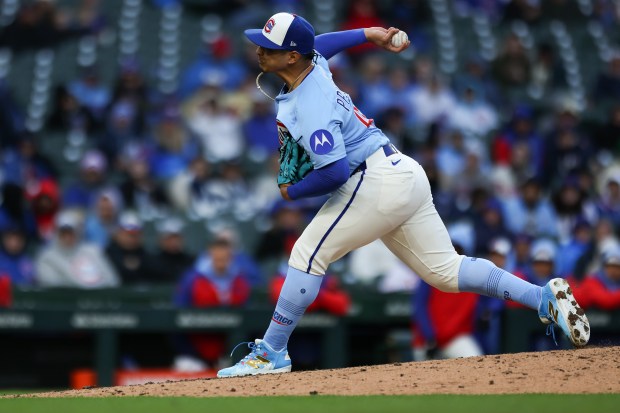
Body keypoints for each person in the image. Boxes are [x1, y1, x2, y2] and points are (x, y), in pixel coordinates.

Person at [216, 13, 590, 378]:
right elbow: (322, 46)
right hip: (402, 172)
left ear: (292, 56)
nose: (259, 50)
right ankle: (541, 298)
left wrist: (291, 192)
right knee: (445, 271)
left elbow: (334, 172)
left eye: (268, 46)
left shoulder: (311, 106)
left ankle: (271, 352)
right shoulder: (312, 65)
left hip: (373, 180)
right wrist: (368, 32)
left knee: (306, 253)